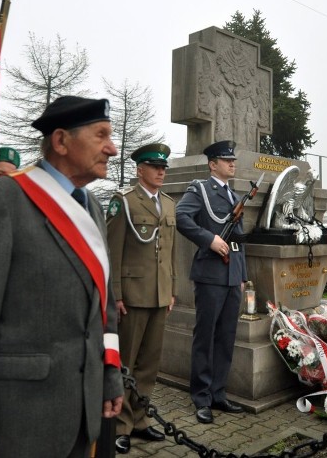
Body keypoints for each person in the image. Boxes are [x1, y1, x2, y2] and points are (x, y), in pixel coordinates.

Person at [0, 96, 123, 457]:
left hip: (84, 413)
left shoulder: (94, 209)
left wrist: (110, 375)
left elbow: (104, 308)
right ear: (60, 141)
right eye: (101, 135)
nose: (112, 149)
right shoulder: (1, 201)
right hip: (20, 420)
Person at [106, 143, 176, 454]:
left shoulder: (169, 205)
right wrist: (117, 294)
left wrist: (170, 289)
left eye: (163, 167)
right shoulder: (124, 202)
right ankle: (119, 426)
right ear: (140, 169)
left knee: (149, 364)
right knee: (126, 363)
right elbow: (113, 250)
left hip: (160, 295)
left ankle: (141, 420)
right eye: (155, 166)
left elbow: (170, 254)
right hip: (132, 296)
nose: (161, 171)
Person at [176, 140, 246, 424]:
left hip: (231, 277)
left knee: (226, 337)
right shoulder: (200, 190)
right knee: (205, 337)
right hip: (210, 275)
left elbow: (240, 240)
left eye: (233, 160)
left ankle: (218, 393)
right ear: (212, 164)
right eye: (225, 160)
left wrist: (242, 276)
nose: (232, 163)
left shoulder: (235, 195)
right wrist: (209, 239)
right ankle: (202, 397)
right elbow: (181, 217)